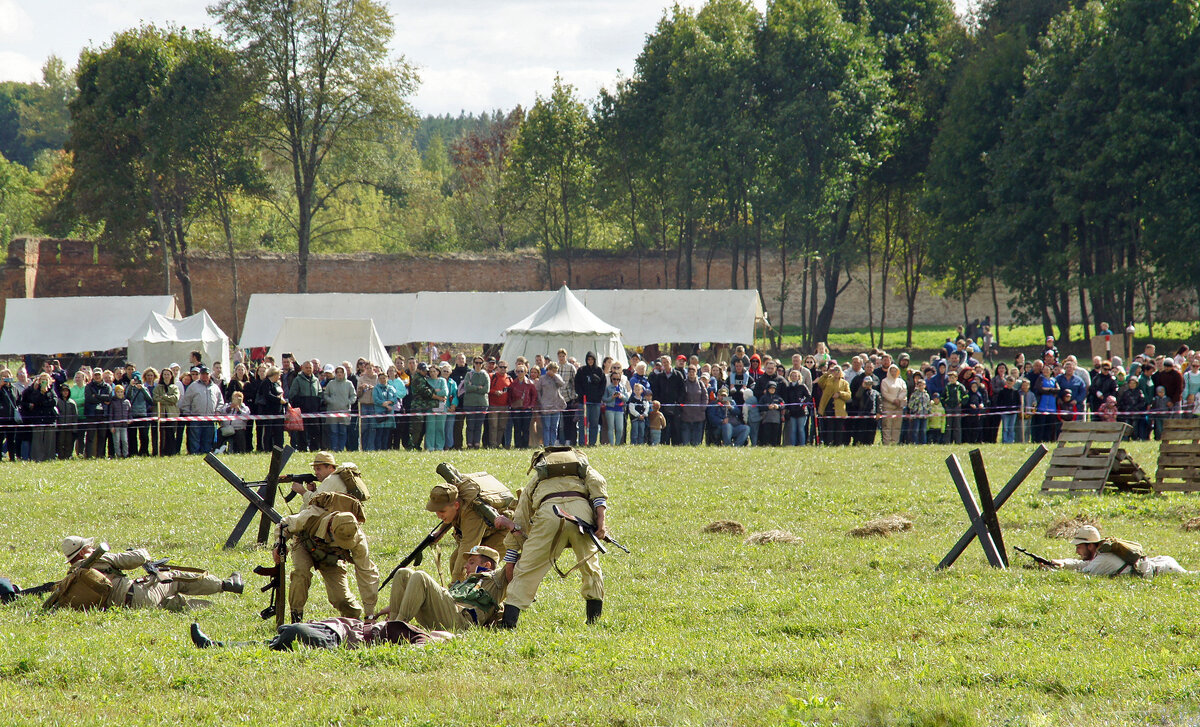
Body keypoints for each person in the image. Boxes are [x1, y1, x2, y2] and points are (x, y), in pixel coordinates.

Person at [497, 446, 609, 628]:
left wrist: (512, 555)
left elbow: (521, 516)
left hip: (549, 514)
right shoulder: (584, 470)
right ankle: (593, 622)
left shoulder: (537, 479)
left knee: (527, 569)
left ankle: (509, 624)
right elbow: (598, 491)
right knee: (590, 567)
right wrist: (601, 524)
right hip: (581, 515)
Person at [53, 536, 242, 611]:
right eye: (89, 546)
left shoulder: (71, 577)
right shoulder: (99, 558)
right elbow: (139, 558)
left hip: (128, 607)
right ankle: (226, 584)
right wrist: (135, 551)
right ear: (83, 552)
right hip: (139, 594)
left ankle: (211, 608)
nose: (92, 547)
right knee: (173, 577)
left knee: (175, 604)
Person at [283, 488, 379, 623]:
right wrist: (278, 544)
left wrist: (369, 615)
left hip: (331, 556)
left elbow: (366, 572)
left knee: (341, 598)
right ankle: (296, 616)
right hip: (305, 545)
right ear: (331, 529)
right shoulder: (311, 516)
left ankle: (354, 619)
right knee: (301, 573)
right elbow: (284, 524)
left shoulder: (357, 539)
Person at [378, 545, 511, 631]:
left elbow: (518, 560)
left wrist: (514, 529)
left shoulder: (496, 579)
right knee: (403, 573)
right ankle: (391, 624)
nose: (466, 566)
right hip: (446, 613)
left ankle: (397, 628)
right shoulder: (467, 581)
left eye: (471, 562)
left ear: (487, 564)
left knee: (421, 576)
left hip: (461, 621)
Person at [424, 468, 516, 582]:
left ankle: (480, 595)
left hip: (504, 532)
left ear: (456, 505)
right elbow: (453, 516)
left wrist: (454, 585)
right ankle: (463, 592)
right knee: (455, 560)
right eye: (436, 511)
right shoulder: (458, 499)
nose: (438, 515)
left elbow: (468, 546)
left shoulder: (471, 514)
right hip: (486, 531)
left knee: (478, 567)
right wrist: (441, 531)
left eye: (442, 511)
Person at [190, 617, 449, 651]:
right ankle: (213, 644)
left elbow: (422, 646)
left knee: (288, 636)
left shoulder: (415, 635)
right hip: (329, 628)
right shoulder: (405, 627)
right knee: (276, 641)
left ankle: (215, 645)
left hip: (335, 637)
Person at [1047, 526, 1189, 576]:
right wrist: (1062, 563)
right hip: (1162, 561)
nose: (1077, 551)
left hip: (1166, 569)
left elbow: (1082, 574)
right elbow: (1082, 564)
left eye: (1079, 547)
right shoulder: (1100, 556)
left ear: (1090, 546)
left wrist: (1051, 571)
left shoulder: (1102, 560)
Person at [179, 365, 224, 455]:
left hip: (210, 418)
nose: (204, 376)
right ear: (200, 375)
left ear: (209, 375)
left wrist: (218, 411)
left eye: (206, 374)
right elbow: (186, 401)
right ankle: (194, 454)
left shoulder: (215, 387)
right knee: (195, 438)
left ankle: (206, 454)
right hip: (196, 418)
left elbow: (220, 401)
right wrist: (188, 415)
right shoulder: (193, 386)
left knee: (207, 439)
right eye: (202, 374)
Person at [460, 355, 490, 449]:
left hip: (482, 404)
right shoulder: (469, 374)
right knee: (470, 425)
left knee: (479, 425)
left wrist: (473, 386)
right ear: (473, 363)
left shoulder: (485, 375)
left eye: (480, 363)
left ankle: (477, 443)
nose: (478, 364)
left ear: (482, 364)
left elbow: (486, 389)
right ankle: (469, 443)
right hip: (470, 404)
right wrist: (478, 387)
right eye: (476, 362)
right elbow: (467, 387)